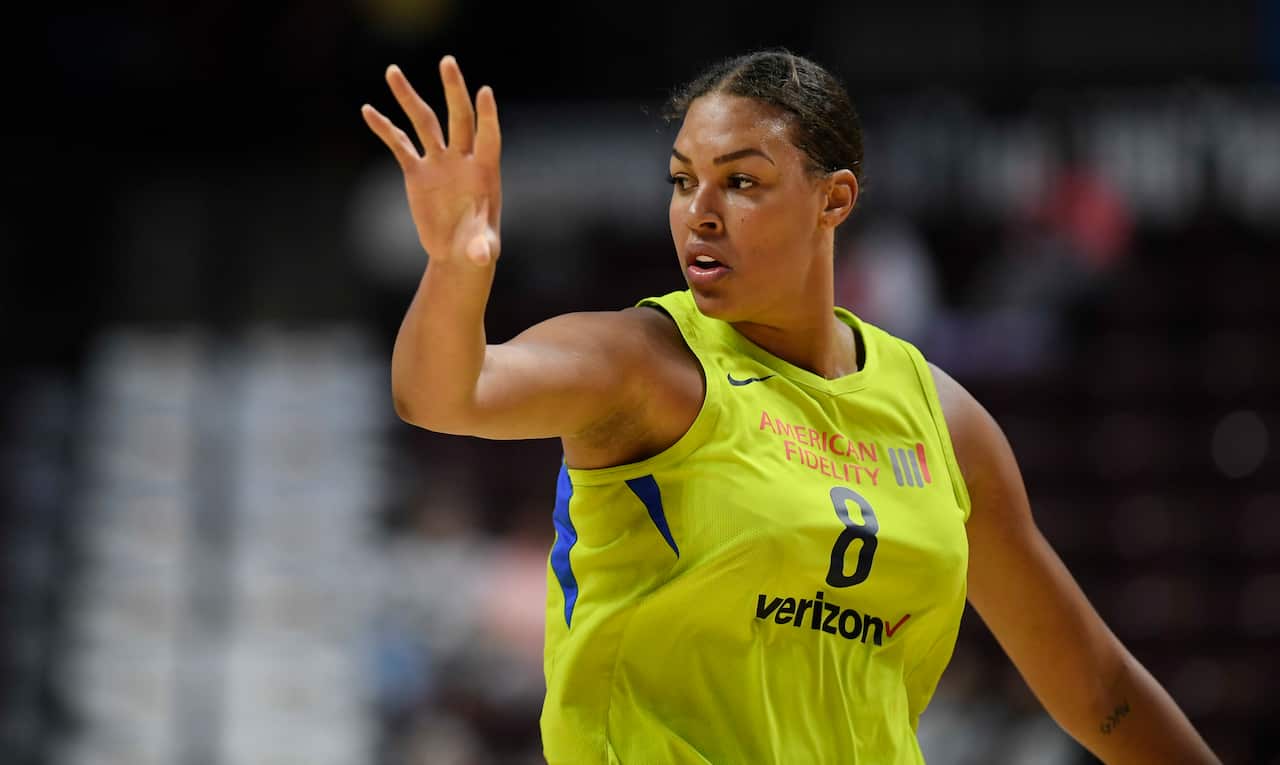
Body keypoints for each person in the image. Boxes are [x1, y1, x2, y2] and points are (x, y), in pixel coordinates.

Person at [360, 50, 1220, 764]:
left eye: (741, 182)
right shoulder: (645, 362)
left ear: (834, 199)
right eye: (682, 180)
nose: (698, 213)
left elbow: (1097, 687)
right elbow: (442, 392)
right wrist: (455, 268)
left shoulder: (944, 424)